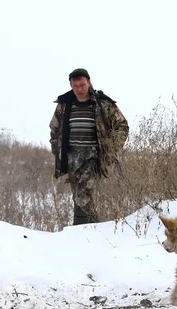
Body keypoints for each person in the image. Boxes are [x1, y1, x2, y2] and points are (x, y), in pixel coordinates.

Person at [49, 68, 129, 225]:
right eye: (75, 85)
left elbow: (122, 126)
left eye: (82, 85)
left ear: (89, 83)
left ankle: (78, 231)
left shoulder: (103, 103)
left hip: (93, 157)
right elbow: (54, 128)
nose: (79, 89)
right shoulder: (64, 105)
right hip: (71, 158)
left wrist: (111, 149)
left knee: (83, 195)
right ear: (71, 85)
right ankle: (93, 232)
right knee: (81, 197)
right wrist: (56, 149)